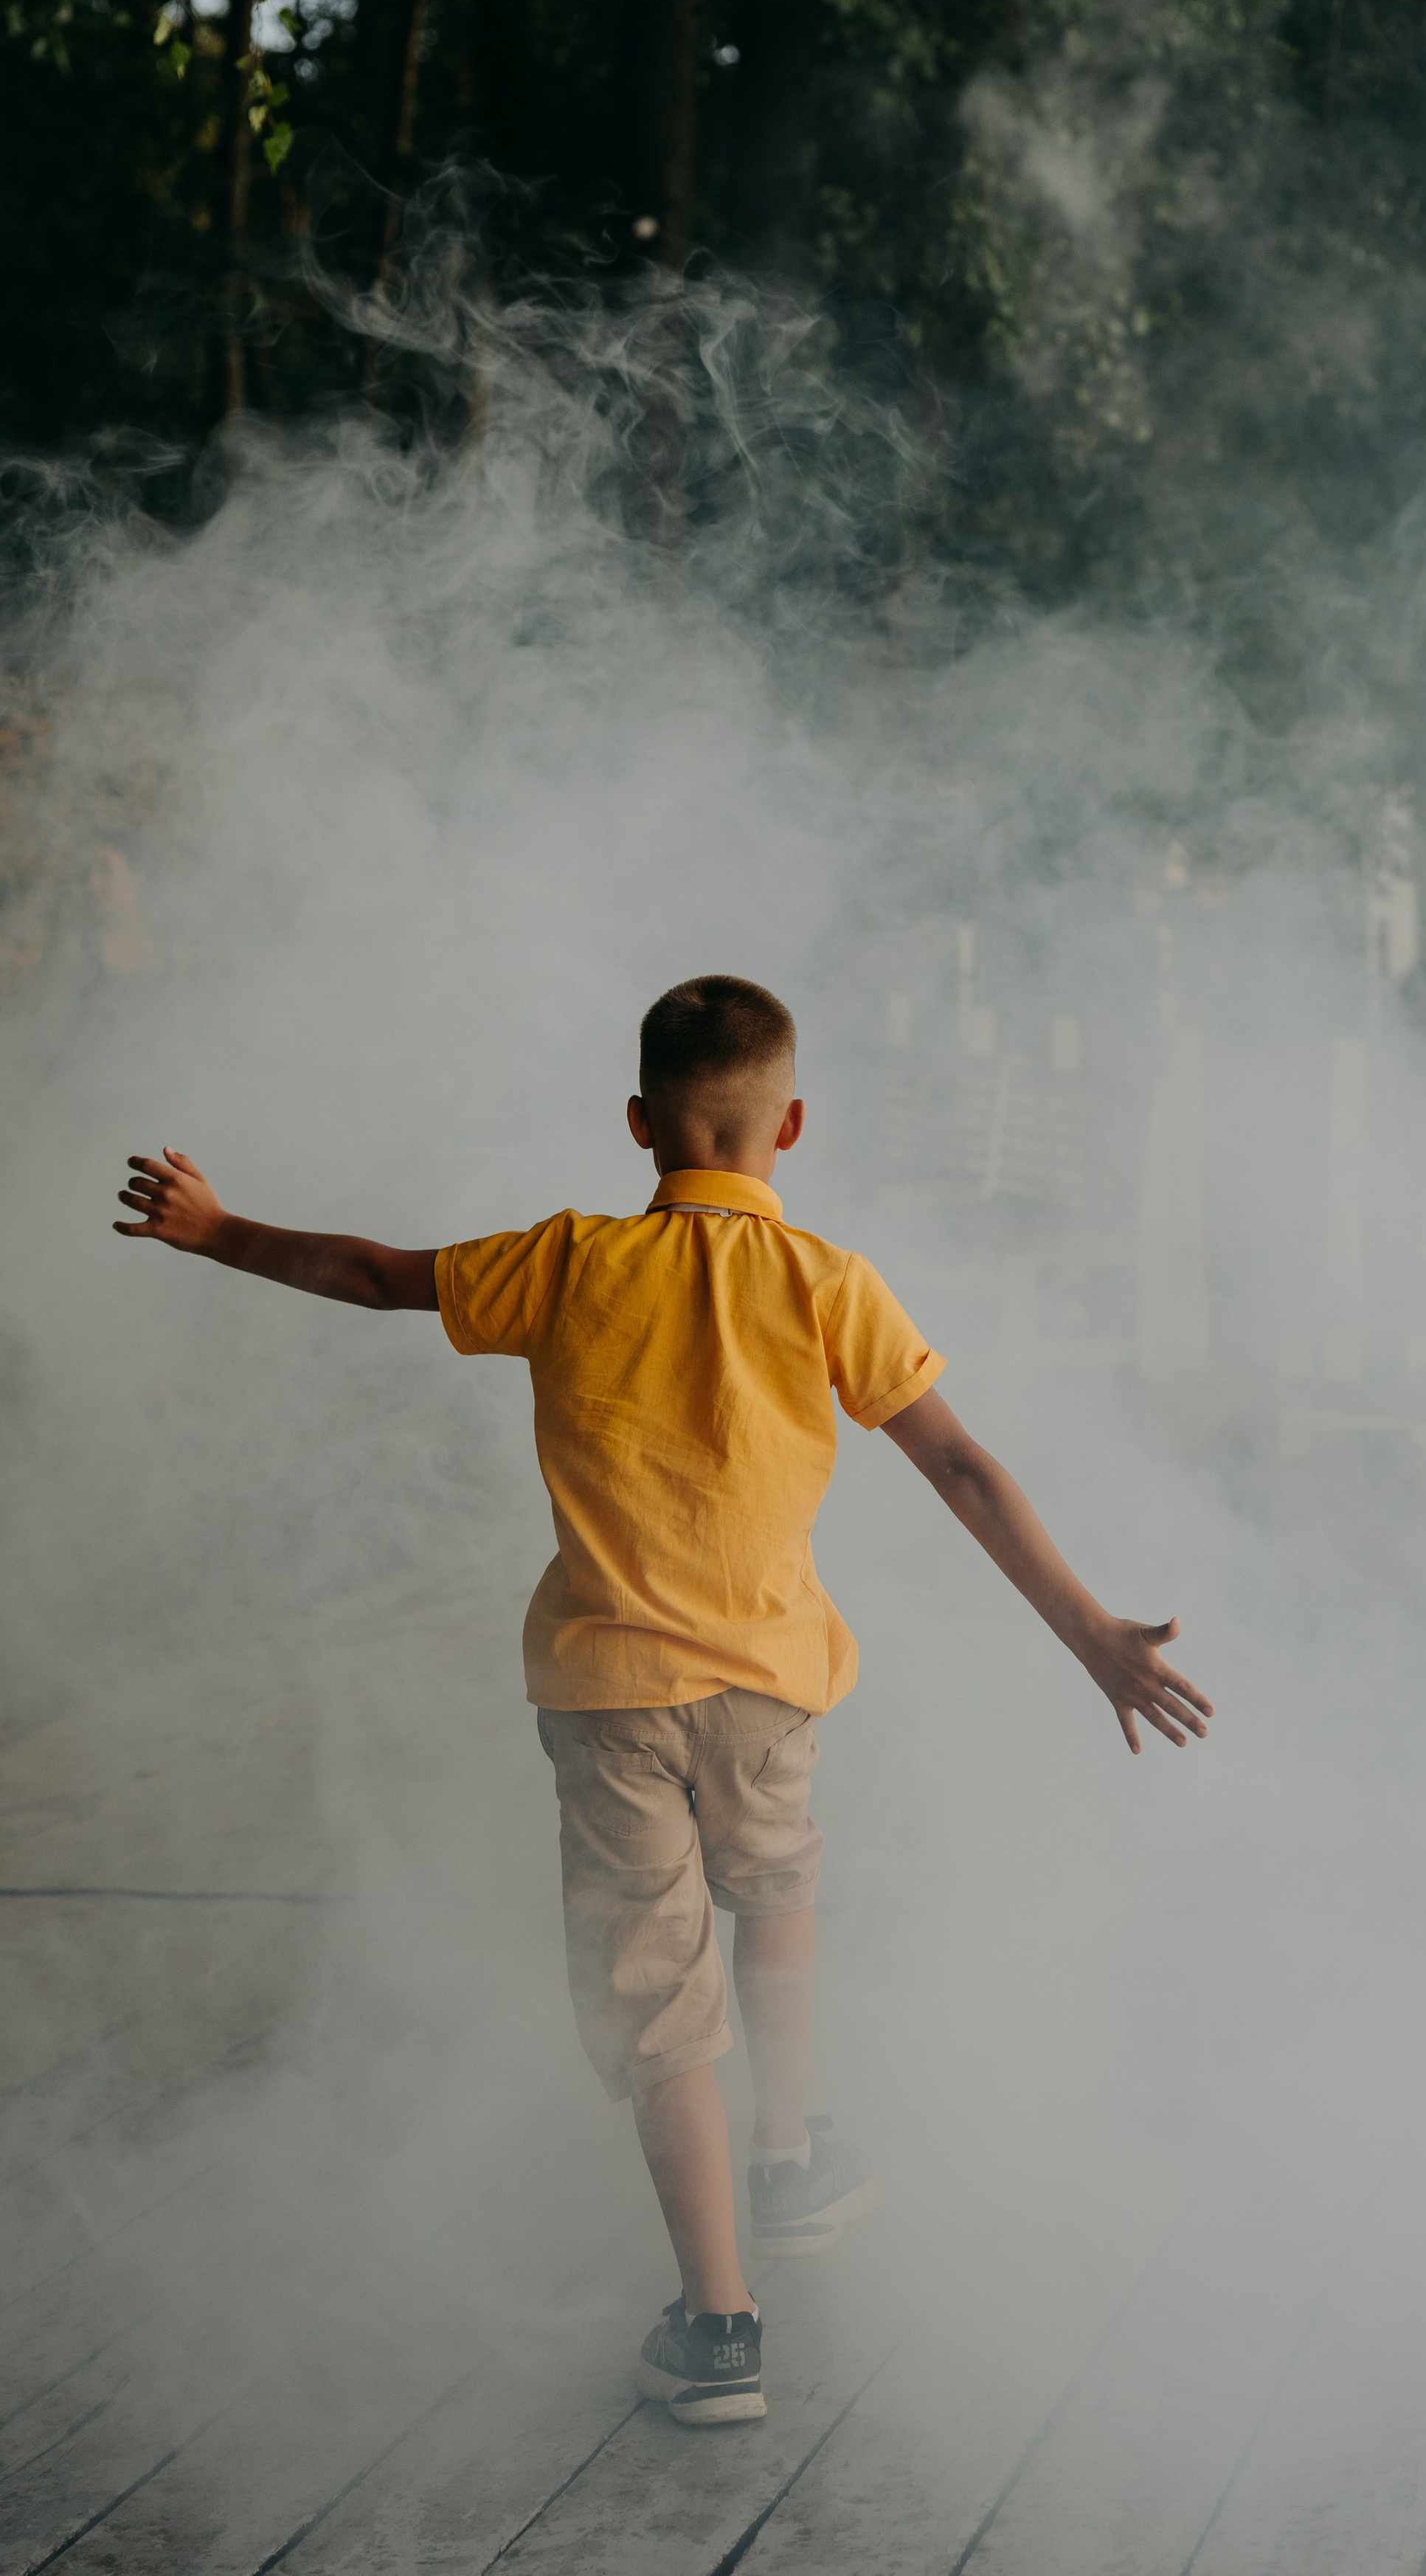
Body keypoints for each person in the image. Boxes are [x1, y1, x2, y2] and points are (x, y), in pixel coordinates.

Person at [112, 973, 1212, 2425]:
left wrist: (216, 1231)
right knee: (776, 1889)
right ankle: (789, 2158)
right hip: (769, 1685)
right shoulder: (827, 1281)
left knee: (658, 2005)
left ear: (638, 1122)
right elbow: (959, 1464)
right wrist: (1089, 1634)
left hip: (608, 1696)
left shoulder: (568, 1261)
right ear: (791, 1126)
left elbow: (377, 1276)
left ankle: (719, 2326)